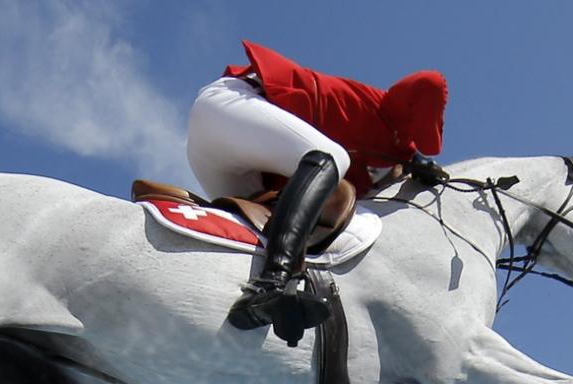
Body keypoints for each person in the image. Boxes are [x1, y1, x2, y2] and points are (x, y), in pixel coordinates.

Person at [187, 40, 450, 340]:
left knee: (263, 234)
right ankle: (273, 283)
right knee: (332, 157)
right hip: (229, 107)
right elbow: (380, 152)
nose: (412, 139)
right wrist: (413, 162)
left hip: (224, 164)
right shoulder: (366, 107)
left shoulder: (389, 138)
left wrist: (412, 165)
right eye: (413, 131)